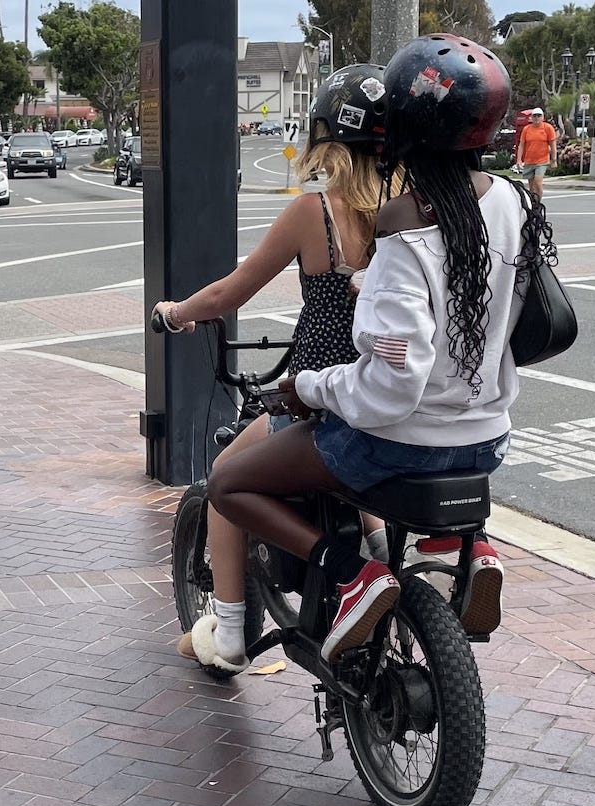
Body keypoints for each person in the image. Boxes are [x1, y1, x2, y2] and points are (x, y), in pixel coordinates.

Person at [201, 34, 549, 667]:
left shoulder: (403, 229)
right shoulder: (516, 204)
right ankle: (458, 546)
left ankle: (350, 575)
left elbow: (390, 390)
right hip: (485, 439)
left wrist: (307, 387)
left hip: (397, 440)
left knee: (227, 481)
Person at [152, 64, 396, 672]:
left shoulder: (314, 214)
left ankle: (232, 634)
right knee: (362, 478)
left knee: (224, 478)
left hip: (317, 396)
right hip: (392, 396)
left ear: (324, 140)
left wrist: (176, 313)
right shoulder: (408, 209)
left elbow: (230, 293)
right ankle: (386, 568)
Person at [516, 106, 557, 199]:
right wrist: (519, 160)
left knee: (538, 182)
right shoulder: (526, 129)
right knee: (531, 186)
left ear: (543, 117)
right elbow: (521, 145)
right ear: (531, 117)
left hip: (542, 161)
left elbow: (553, 144)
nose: (537, 118)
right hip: (529, 160)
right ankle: (533, 202)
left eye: (539, 116)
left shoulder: (548, 128)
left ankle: (538, 203)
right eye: (534, 116)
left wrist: (554, 160)